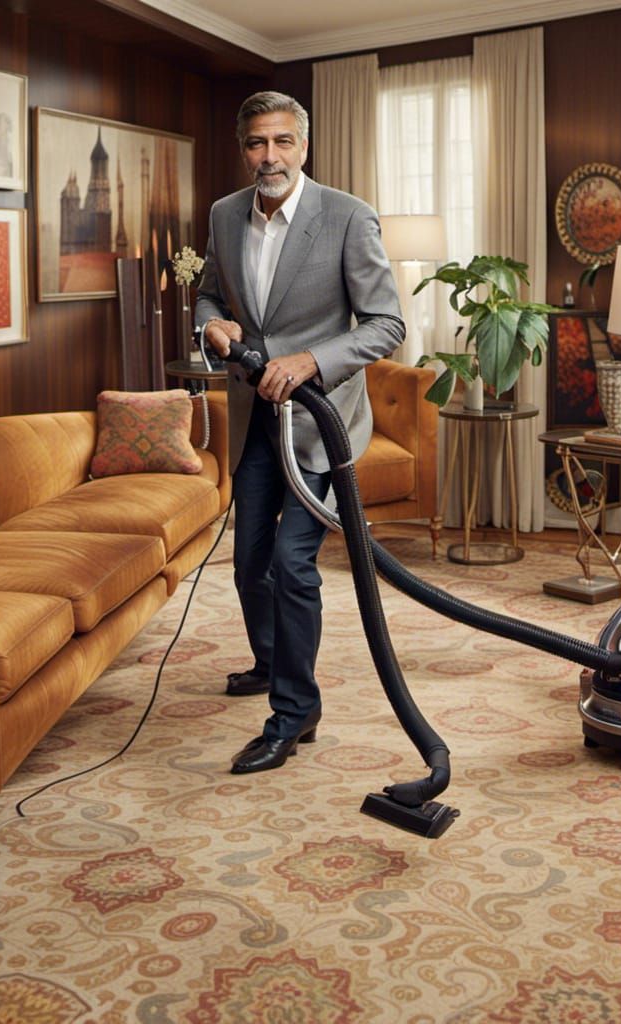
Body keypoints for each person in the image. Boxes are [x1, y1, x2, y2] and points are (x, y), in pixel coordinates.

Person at [194, 91, 404, 775]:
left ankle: (294, 713)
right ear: (243, 148)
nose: (269, 156)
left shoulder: (346, 216)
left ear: (304, 147)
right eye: (257, 143)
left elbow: (385, 324)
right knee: (248, 561)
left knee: (290, 563)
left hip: (321, 426)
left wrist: (313, 360)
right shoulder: (225, 215)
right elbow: (211, 296)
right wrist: (212, 326)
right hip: (257, 419)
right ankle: (270, 660)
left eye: (282, 142)